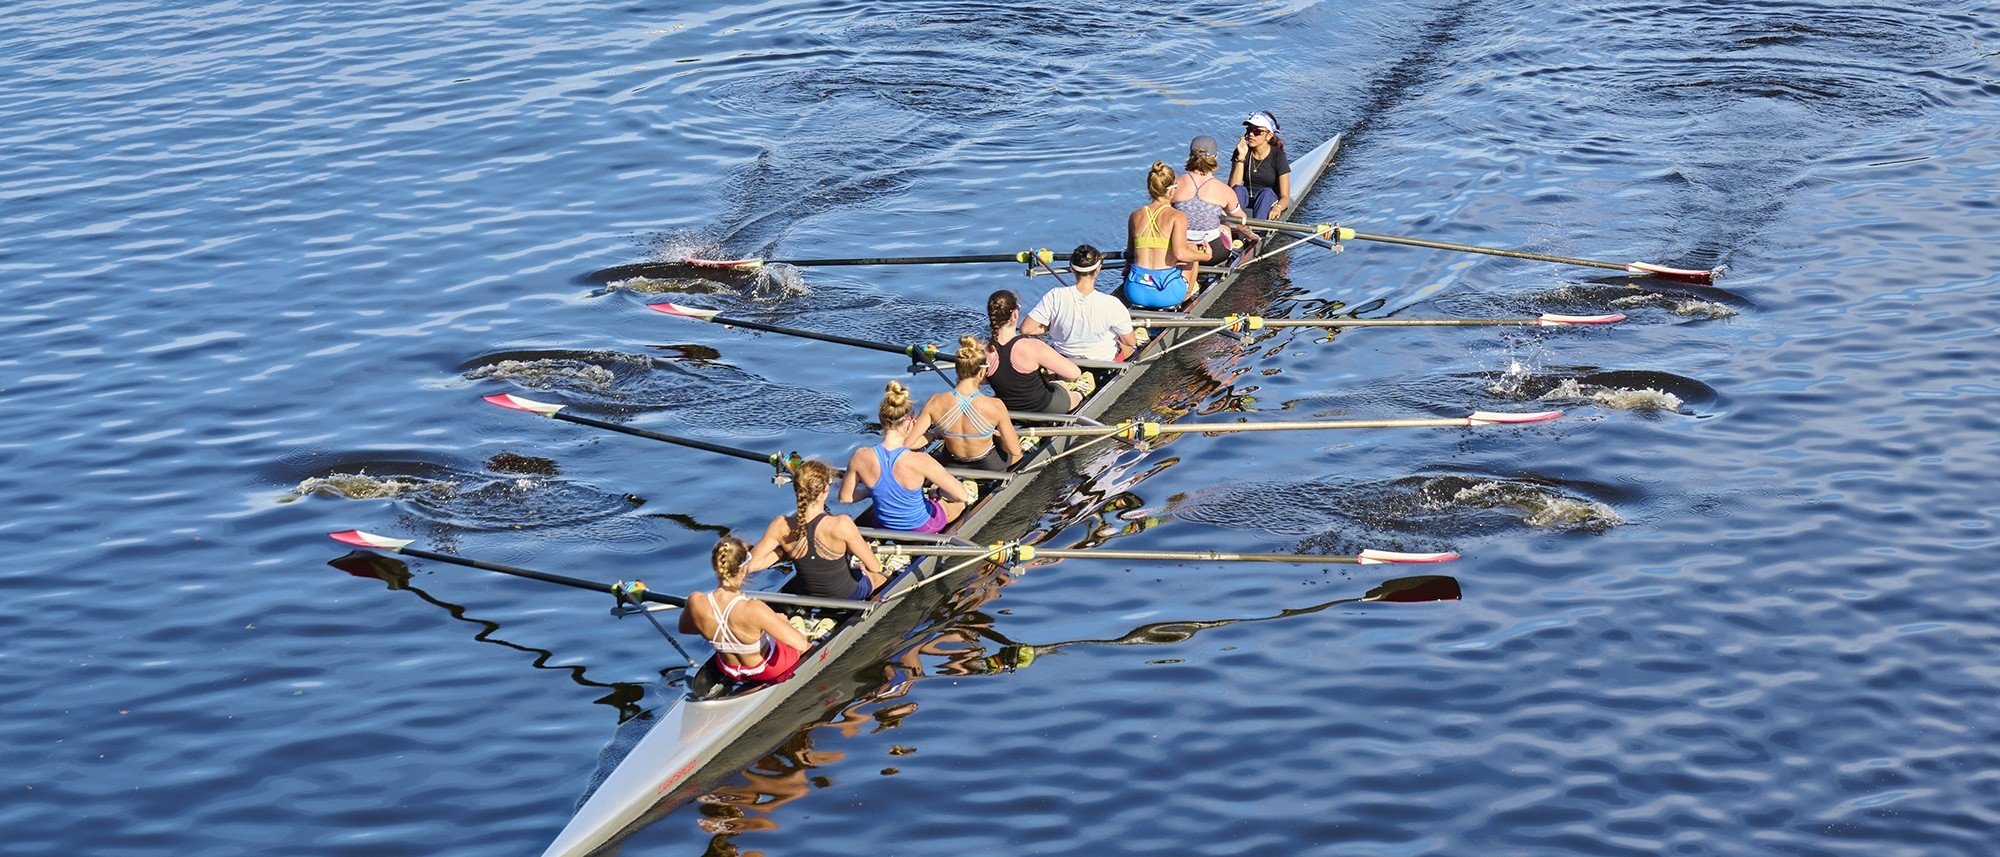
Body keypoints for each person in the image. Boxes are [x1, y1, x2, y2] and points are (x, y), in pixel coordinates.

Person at [744, 459, 886, 600]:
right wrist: (863, 560)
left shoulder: (780, 526)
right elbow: (874, 566)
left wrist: (784, 550)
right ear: (826, 490)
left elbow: (751, 566)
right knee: (879, 577)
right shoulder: (841, 524)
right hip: (846, 594)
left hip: (808, 593)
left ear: (797, 490)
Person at [841, 381, 970, 533]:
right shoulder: (921, 461)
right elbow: (961, 495)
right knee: (960, 503)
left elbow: (845, 498)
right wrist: (938, 492)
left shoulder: (860, 456)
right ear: (909, 422)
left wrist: (870, 491)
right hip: (921, 528)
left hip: (882, 524)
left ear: (882, 420)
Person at [680, 536, 812, 684]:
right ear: (743, 568)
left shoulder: (695, 601)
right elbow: (801, 644)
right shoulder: (754, 608)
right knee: (805, 645)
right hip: (767, 671)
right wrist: (782, 622)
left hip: (729, 669)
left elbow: (685, 629)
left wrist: (714, 627)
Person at [915, 336, 1023, 471]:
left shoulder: (934, 402)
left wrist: (935, 434)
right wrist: (997, 436)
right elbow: (1014, 449)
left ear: (957, 369)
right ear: (982, 371)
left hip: (951, 462)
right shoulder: (996, 405)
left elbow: (910, 443)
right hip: (988, 465)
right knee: (1018, 454)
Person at [1022, 244, 1138, 364]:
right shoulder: (1112, 304)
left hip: (1066, 362)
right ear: (1098, 270)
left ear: (1071, 269)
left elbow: (1026, 329)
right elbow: (1130, 341)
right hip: (1103, 362)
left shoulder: (1054, 296)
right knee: (1130, 346)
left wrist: (1054, 326)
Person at [1123, 162, 1211, 309]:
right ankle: (1187, 298)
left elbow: (1130, 254)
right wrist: (1206, 256)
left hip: (1134, 292)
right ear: (1171, 191)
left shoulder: (1135, 215)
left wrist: (1126, 270)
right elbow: (1180, 254)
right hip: (1166, 293)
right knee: (1192, 249)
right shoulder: (1178, 216)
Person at [985, 289, 1084, 414]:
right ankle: (1081, 393)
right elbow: (1074, 373)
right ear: (1015, 314)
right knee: (1078, 391)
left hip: (1010, 410)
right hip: (1045, 407)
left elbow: (981, 381)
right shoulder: (1031, 346)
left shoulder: (984, 352)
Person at [1172, 136, 1248, 280]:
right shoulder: (1224, 190)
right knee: (1225, 226)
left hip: (1179, 249)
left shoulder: (1174, 184)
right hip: (1212, 253)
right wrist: (1252, 236)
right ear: (1216, 157)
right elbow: (1241, 222)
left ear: (1190, 156)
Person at [1230, 110, 1291, 221]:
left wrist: (1278, 208)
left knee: (1266, 193)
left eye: (1257, 131)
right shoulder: (1240, 151)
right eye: (1249, 130)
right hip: (1245, 197)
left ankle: (1258, 228)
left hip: (1267, 199)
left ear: (1269, 136)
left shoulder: (1278, 156)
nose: (1251, 134)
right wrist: (1241, 157)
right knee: (1238, 189)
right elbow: (1233, 187)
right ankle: (1235, 225)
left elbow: (1285, 197)